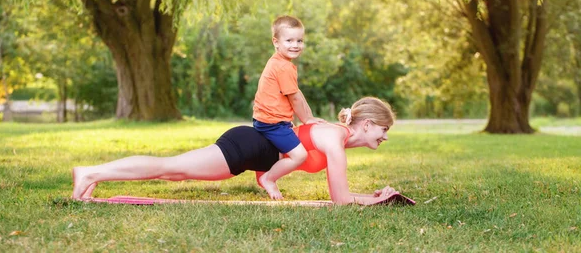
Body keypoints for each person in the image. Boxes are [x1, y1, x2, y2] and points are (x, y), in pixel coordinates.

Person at [72, 97, 400, 205]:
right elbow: (340, 199)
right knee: (170, 167)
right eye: (385, 130)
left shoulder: (335, 137)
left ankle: (94, 176)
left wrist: (372, 197)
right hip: (244, 148)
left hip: (249, 152)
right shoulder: (334, 139)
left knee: (172, 170)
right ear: (368, 123)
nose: (385, 137)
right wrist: (378, 199)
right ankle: (90, 173)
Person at [251, 15, 323, 199]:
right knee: (300, 156)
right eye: (289, 40)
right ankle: (269, 179)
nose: (295, 45)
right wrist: (306, 120)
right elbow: (295, 99)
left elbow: (297, 93)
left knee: (288, 153)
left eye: (300, 40)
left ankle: (269, 171)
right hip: (272, 123)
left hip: (270, 120)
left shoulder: (280, 62)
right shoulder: (283, 67)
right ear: (276, 42)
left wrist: (310, 116)